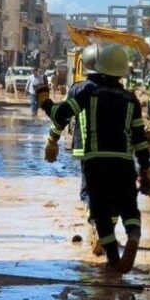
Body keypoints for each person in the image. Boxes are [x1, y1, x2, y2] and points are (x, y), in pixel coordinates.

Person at [37, 45, 150, 273]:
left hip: (94, 160)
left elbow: (60, 116)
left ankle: (112, 260)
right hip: (123, 160)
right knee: (128, 207)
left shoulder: (86, 91)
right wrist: (146, 169)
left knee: (98, 209)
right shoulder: (130, 99)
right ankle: (134, 235)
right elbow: (140, 139)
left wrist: (44, 101)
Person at [43, 45, 107, 254]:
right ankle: (108, 232)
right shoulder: (117, 89)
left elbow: (62, 117)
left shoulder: (78, 88)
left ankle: (96, 224)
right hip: (115, 151)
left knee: (88, 191)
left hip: (86, 149)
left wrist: (52, 139)